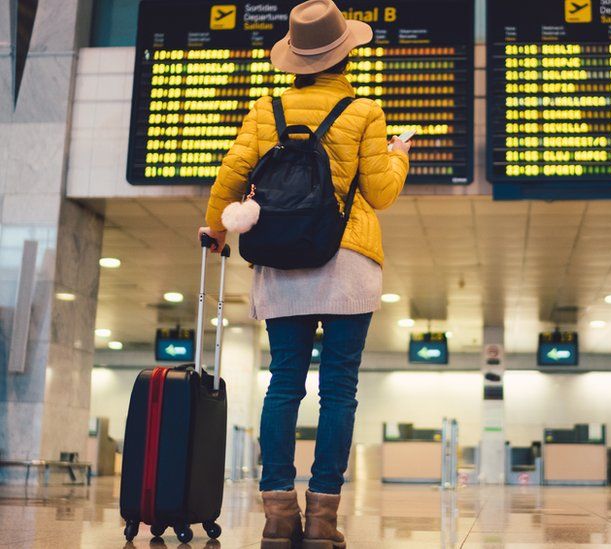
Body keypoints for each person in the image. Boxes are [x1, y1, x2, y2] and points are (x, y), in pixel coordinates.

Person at [199, 1, 410, 547]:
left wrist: (215, 229)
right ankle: (322, 518)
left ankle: (276, 514)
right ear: (345, 53)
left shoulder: (264, 109)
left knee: (284, 384)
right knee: (339, 389)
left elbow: (233, 171)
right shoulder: (364, 111)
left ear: (294, 59)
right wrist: (398, 155)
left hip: (282, 258)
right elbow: (381, 193)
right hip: (347, 260)